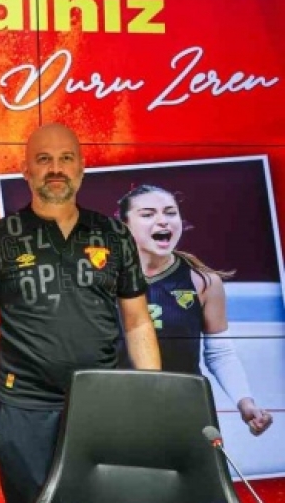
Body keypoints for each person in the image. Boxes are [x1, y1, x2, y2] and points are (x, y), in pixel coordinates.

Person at [0, 123, 161, 503]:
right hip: (23, 404)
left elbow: (137, 321)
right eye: (44, 159)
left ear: (81, 168)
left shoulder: (114, 235)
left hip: (101, 401)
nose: (56, 168)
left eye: (66, 158)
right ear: (26, 171)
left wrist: (153, 396)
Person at [117, 184, 273, 436]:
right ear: (124, 225)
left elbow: (219, 353)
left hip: (185, 408)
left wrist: (245, 403)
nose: (163, 221)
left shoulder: (204, 282)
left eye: (170, 212)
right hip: (116, 408)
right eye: (147, 214)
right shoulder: (100, 280)